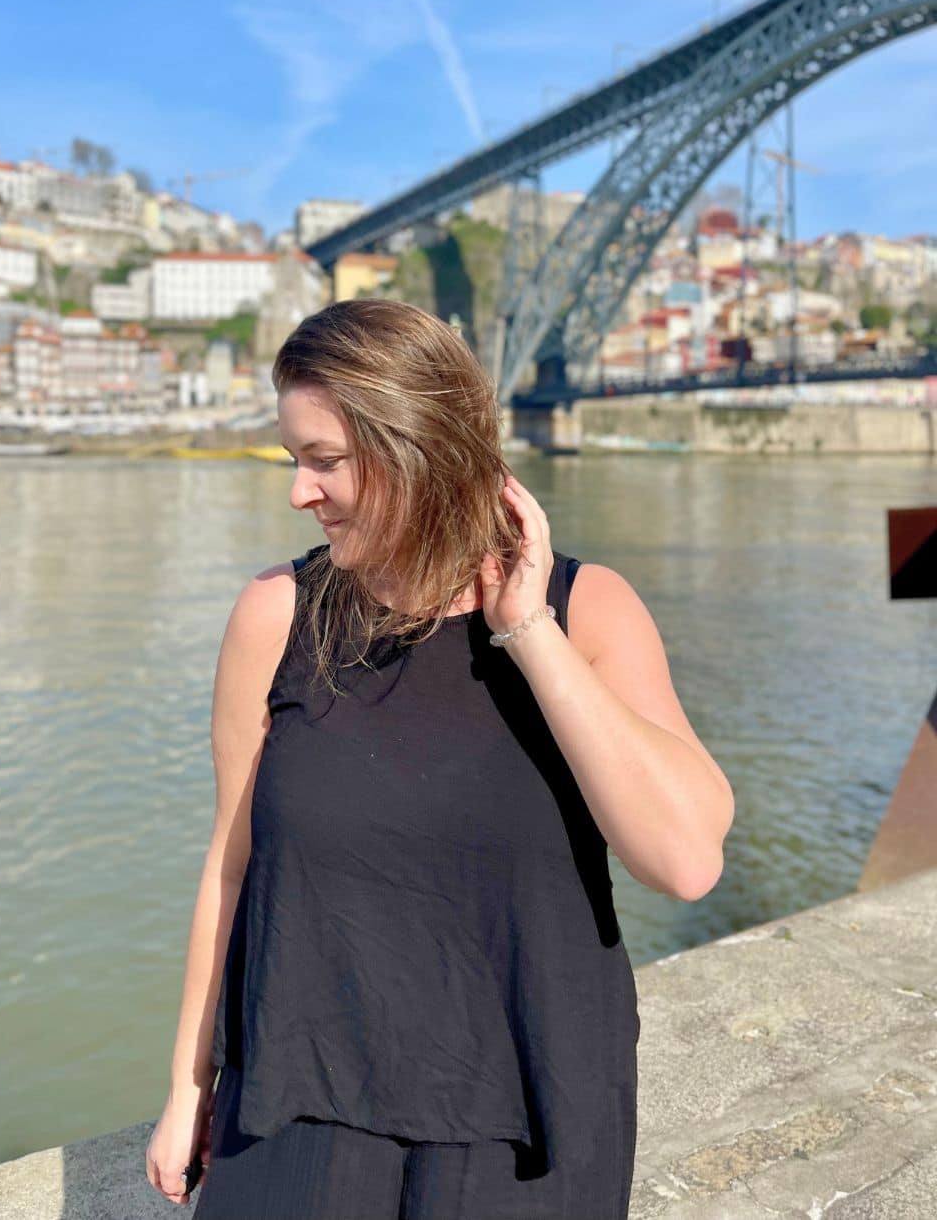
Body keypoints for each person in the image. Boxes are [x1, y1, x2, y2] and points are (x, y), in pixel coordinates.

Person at [146, 298, 734, 1218]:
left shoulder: (589, 611)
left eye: (324, 461)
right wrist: (188, 1086)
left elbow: (687, 860)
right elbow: (230, 865)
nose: (299, 492)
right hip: (302, 1099)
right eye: (295, 460)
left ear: (418, 448)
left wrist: (528, 632)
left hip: (526, 1119)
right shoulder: (277, 615)